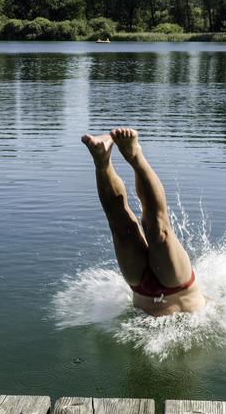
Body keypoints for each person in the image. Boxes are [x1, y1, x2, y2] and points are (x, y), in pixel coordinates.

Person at [81, 127, 206, 316]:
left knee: (121, 228)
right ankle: (135, 155)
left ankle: (102, 160)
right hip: (178, 285)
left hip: (141, 287)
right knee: (158, 230)